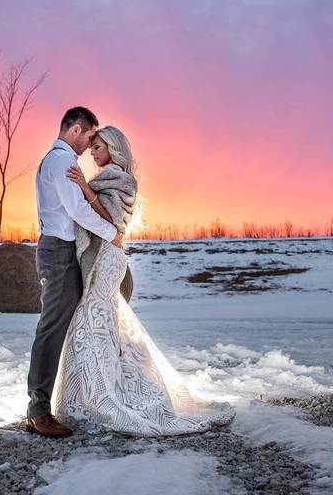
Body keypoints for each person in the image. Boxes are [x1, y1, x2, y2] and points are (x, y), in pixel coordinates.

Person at [51, 121, 235, 436]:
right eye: (92, 147)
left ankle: (106, 396)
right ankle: (90, 394)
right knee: (101, 322)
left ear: (114, 147)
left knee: (90, 318)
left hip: (107, 261)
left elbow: (110, 223)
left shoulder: (121, 180)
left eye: (98, 147)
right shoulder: (109, 178)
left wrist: (83, 189)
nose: (93, 153)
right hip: (107, 258)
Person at [26, 106, 124, 437]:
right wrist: (114, 233)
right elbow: (77, 209)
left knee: (75, 323)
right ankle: (38, 410)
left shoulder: (54, 160)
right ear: (76, 130)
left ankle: (80, 394)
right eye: (89, 138)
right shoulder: (62, 161)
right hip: (57, 252)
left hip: (59, 249)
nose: (88, 147)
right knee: (53, 326)